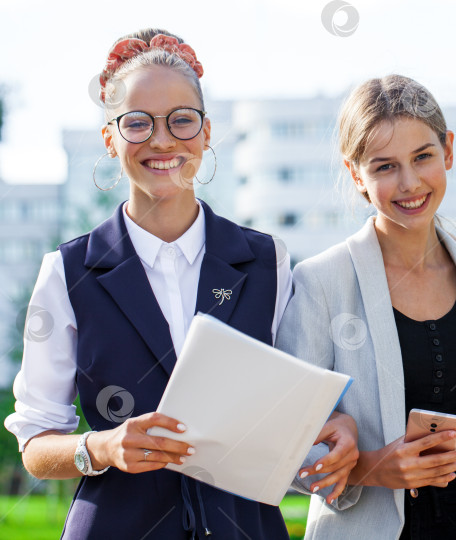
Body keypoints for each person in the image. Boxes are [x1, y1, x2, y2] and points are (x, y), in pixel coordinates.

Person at [4, 29, 357, 539]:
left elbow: (294, 410)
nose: (163, 140)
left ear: (206, 131)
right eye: (138, 123)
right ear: (111, 137)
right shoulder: (67, 272)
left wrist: (337, 427)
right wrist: (102, 447)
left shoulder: (266, 261)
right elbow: (37, 447)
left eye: (181, 120)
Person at [276, 75, 456, 539]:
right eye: (385, 166)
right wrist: (372, 468)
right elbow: (283, 446)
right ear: (356, 175)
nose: (409, 183)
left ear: (448, 150)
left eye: (423, 157)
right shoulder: (319, 284)